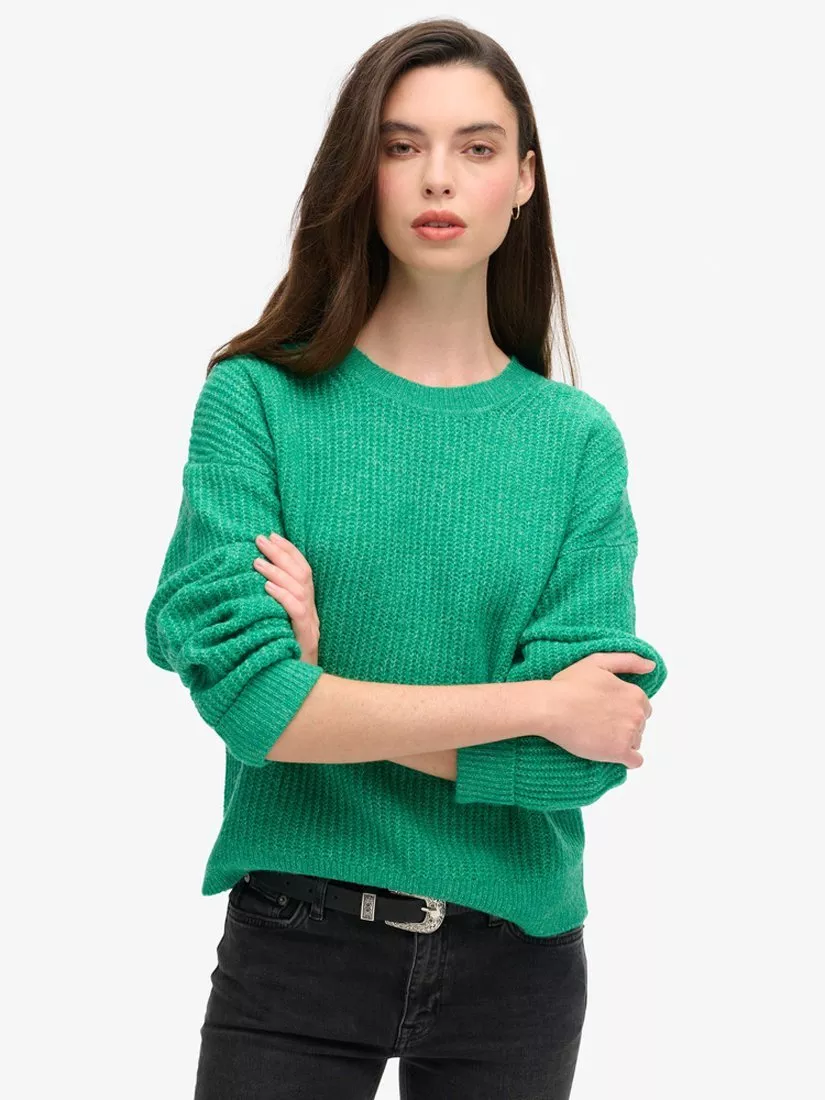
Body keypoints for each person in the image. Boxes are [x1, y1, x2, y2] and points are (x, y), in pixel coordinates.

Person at [144, 17, 668, 1100]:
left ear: (524, 179)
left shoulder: (575, 441)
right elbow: (251, 703)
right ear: (361, 170)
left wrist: (323, 694)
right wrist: (537, 705)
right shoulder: (256, 401)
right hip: (297, 944)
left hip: (518, 963)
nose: (438, 176)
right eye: (401, 144)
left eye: (477, 147)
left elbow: (586, 756)